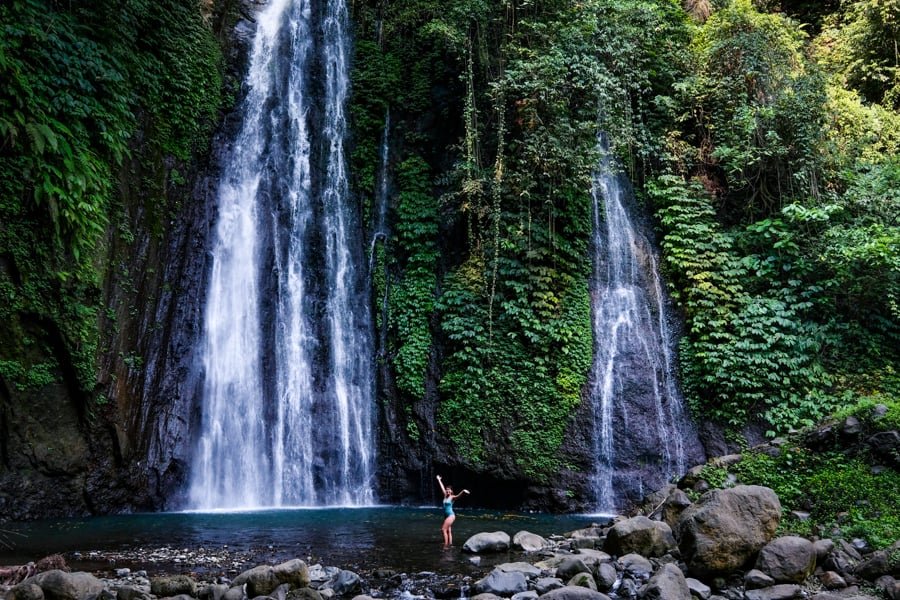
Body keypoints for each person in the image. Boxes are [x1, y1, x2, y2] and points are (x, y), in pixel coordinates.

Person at [436, 474, 470, 546]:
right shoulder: (445, 495)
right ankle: (450, 544)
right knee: (448, 531)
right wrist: (439, 480)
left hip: (451, 515)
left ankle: (445, 546)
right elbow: (442, 487)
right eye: (447, 490)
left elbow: (458, 496)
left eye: (449, 490)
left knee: (443, 529)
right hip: (446, 515)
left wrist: (463, 491)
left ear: (451, 491)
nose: (447, 491)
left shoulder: (452, 497)